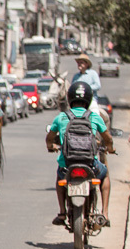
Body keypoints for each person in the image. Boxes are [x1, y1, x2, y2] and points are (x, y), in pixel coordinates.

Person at [45, 82, 115, 226]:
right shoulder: (94, 117)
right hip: (90, 164)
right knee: (105, 175)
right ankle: (105, 214)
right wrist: (110, 148)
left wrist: (50, 146)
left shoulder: (61, 117)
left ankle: (62, 212)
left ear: (69, 98)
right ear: (89, 99)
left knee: (59, 177)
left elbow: (49, 138)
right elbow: (108, 138)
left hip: (67, 165)